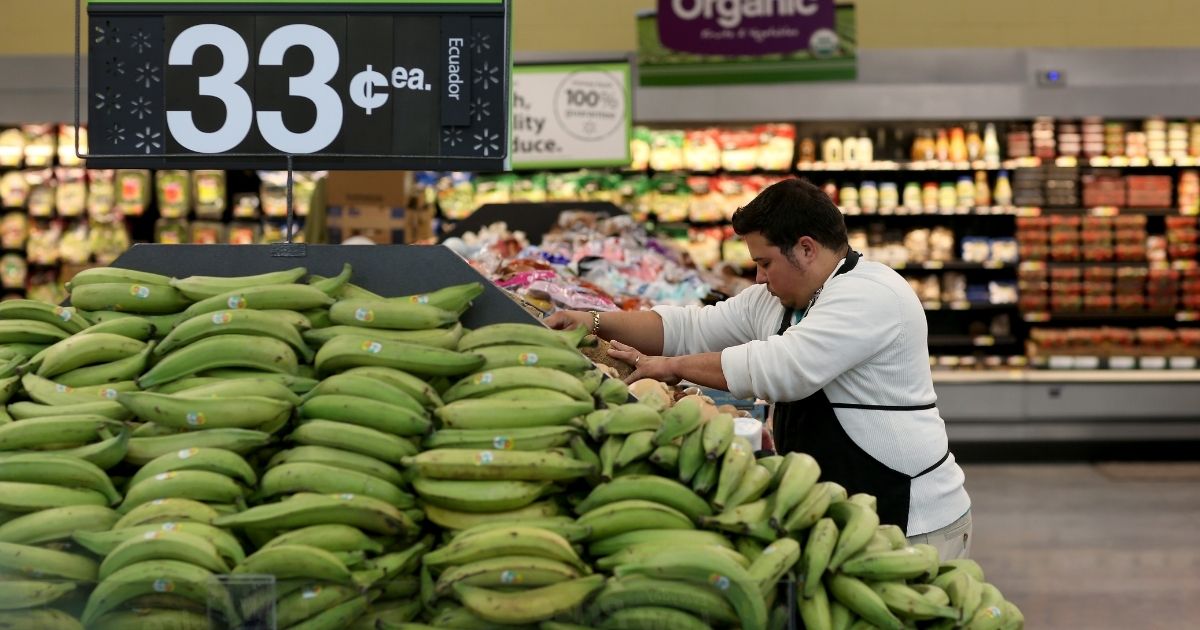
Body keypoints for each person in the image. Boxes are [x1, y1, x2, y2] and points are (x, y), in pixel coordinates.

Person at [547, 178, 973, 558]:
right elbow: (690, 326)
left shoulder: (871, 294)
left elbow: (782, 369)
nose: (758, 278)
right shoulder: (781, 299)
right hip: (844, 511)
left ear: (806, 249)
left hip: (911, 518)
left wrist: (672, 367)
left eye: (765, 262)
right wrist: (593, 320)